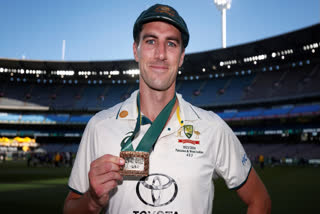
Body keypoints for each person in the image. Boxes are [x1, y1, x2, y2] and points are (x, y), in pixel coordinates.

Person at [64, 4, 271, 214]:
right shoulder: (100, 126)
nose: (160, 54)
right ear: (136, 50)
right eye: (151, 41)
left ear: (181, 57)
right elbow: (70, 208)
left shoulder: (212, 127)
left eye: (171, 44)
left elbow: (259, 199)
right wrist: (91, 201)